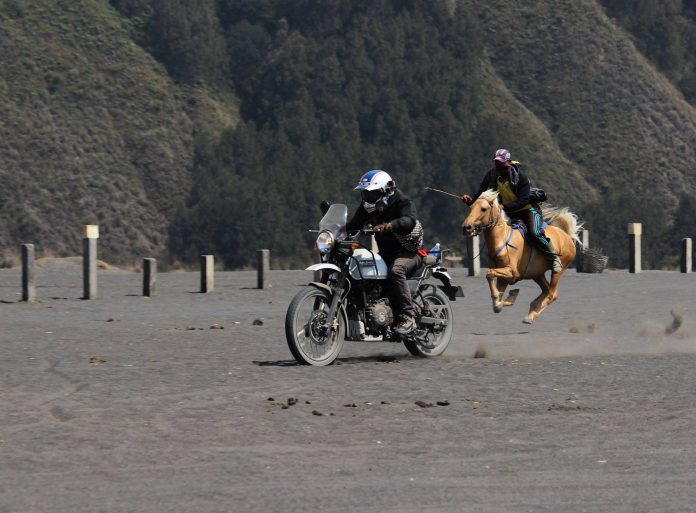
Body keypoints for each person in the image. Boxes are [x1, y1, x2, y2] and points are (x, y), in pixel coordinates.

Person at [346, 170, 424, 334]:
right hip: (385, 254)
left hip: (408, 252)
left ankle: (408, 316)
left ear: (385, 191)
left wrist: (391, 225)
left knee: (396, 271)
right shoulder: (369, 207)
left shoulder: (403, 202)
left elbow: (410, 220)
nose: (368, 197)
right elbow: (353, 225)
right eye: (365, 193)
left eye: (372, 193)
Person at [462, 149, 562, 272]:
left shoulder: (521, 177)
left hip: (528, 210)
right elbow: (481, 189)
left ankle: (554, 257)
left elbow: (524, 200)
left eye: (502, 163)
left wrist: (505, 207)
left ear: (508, 162)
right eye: (497, 163)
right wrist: (470, 200)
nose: (499, 166)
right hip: (508, 211)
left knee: (534, 233)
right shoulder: (492, 174)